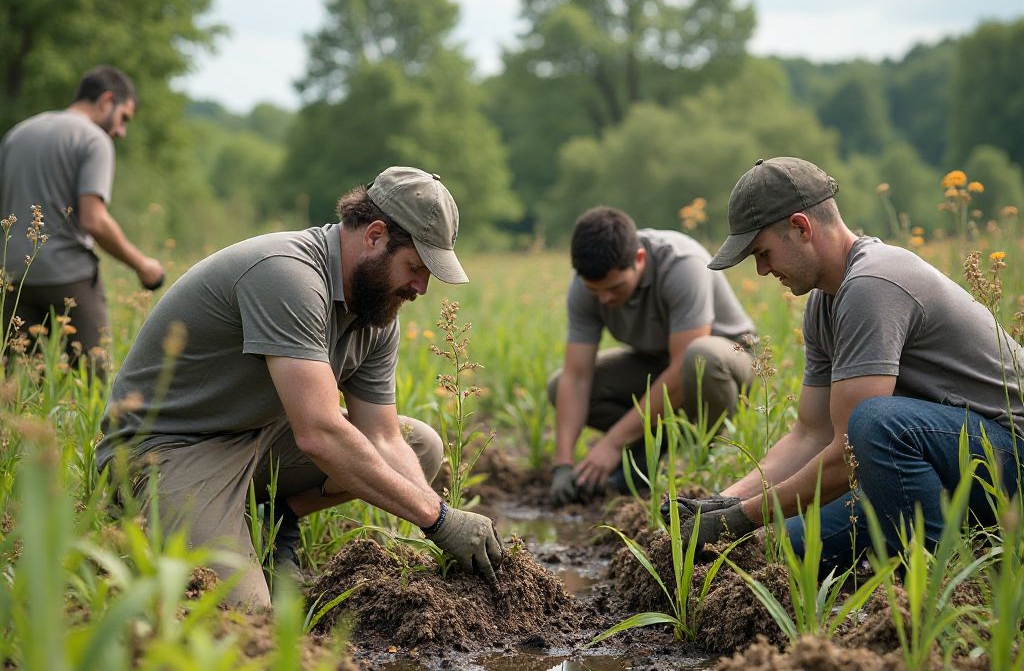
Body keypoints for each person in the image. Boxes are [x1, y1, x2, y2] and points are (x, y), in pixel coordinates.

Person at [97, 166, 502, 608]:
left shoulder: (375, 311)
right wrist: (438, 520)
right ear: (375, 235)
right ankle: (188, 517)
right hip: (172, 448)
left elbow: (382, 435)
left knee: (419, 444)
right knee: (246, 617)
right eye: (416, 267)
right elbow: (320, 433)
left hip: (257, 436)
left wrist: (443, 516)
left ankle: (276, 515)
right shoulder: (287, 274)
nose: (421, 287)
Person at [664, 156, 1024, 571]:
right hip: (936, 465)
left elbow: (849, 452)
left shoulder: (873, 283)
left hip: (1006, 459)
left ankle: (943, 577)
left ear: (801, 227)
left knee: (876, 422)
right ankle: (918, 546)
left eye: (761, 252)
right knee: (779, 548)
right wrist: (725, 502)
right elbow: (811, 433)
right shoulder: (824, 301)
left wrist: (742, 518)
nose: (761, 270)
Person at [548, 206, 756, 503]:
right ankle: (651, 451)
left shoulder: (682, 264)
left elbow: (685, 367)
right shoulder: (585, 286)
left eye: (615, 288)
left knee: (700, 357)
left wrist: (613, 443)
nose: (605, 299)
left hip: (730, 358)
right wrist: (563, 464)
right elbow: (576, 376)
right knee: (559, 386)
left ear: (640, 260)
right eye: (596, 292)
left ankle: (705, 459)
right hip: (660, 362)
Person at [0, 66, 165, 375]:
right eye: (124, 118)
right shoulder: (94, 139)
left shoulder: (18, 133)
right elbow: (94, 220)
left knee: (15, 384)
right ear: (107, 100)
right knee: (94, 378)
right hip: (68, 276)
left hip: (12, 277)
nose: (121, 131)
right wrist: (143, 265)